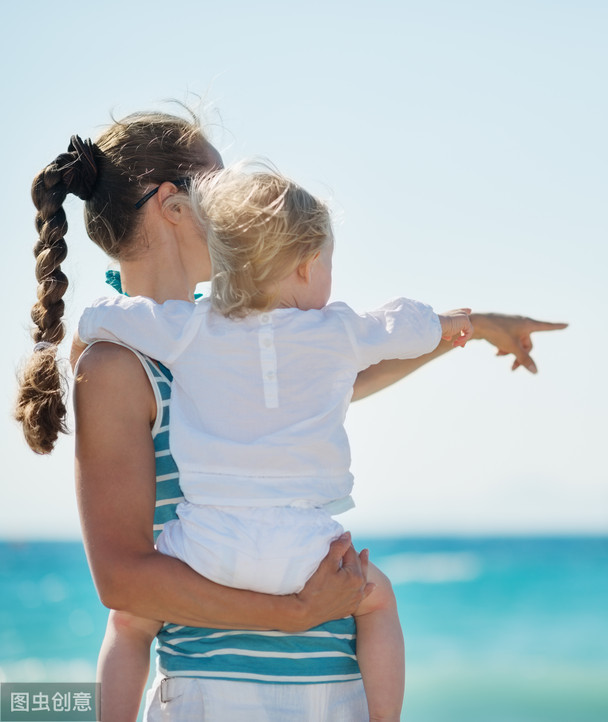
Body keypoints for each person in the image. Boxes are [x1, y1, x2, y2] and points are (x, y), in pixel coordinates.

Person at [16, 110, 567, 722]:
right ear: (174, 207)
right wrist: (295, 611)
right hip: (215, 696)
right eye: (219, 187)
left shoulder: (231, 332)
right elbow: (123, 582)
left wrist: (478, 325)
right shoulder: (120, 364)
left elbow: (344, 375)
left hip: (334, 691)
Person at [74, 165, 472, 722]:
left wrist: (80, 337)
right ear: (307, 264)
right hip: (302, 547)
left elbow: (107, 316)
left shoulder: (190, 327)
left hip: (207, 542)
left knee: (128, 621)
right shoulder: (338, 330)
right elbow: (404, 326)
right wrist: (453, 323)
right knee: (377, 600)